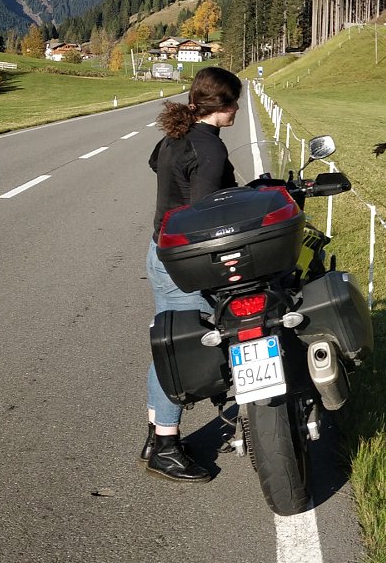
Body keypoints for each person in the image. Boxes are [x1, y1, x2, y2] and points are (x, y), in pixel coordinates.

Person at [141, 66, 243, 482]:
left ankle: (156, 434)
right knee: (186, 349)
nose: (238, 108)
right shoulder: (210, 149)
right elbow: (205, 213)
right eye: (235, 101)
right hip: (187, 261)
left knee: (170, 342)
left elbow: (156, 163)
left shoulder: (176, 136)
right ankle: (165, 446)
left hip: (161, 252)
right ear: (221, 106)